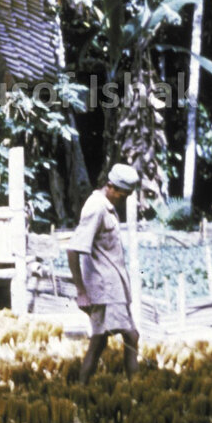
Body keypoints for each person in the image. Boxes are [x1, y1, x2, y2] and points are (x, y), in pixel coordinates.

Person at [66, 162, 141, 385]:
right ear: (110, 186)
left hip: (114, 287)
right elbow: (73, 248)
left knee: (100, 341)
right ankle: (135, 389)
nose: (124, 199)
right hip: (104, 289)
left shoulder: (106, 205)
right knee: (129, 337)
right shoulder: (96, 207)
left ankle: (83, 387)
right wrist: (81, 292)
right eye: (123, 194)